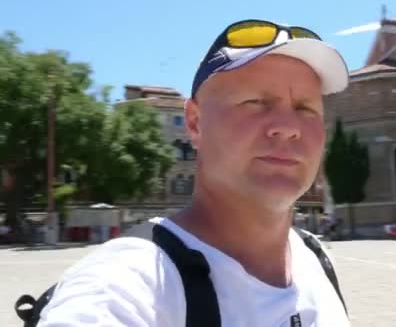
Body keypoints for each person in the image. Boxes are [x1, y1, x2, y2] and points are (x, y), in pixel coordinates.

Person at [38, 19, 350, 326]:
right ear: (194, 123)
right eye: (256, 102)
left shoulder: (316, 259)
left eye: (305, 108)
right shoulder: (124, 286)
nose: (288, 127)